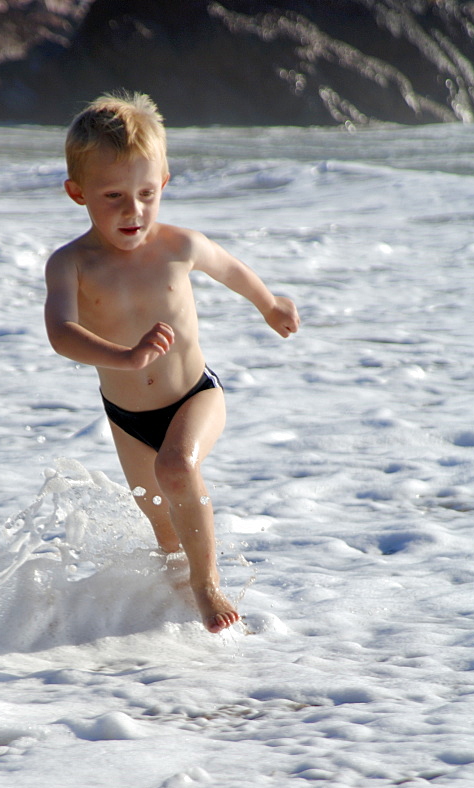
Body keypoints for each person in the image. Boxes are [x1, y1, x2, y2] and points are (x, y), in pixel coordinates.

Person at [44, 92, 300, 634]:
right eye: (113, 195)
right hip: (128, 420)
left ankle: (210, 588)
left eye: (144, 193)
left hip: (195, 396)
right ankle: (176, 629)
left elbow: (230, 269)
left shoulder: (179, 246)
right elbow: (61, 333)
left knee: (178, 468)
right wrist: (126, 356)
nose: (132, 210)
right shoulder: (71, 264)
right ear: (77, 192)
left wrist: (270, 304)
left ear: (163, 183)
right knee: (164, 533)